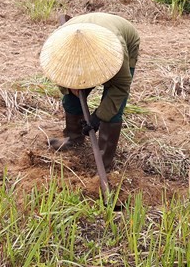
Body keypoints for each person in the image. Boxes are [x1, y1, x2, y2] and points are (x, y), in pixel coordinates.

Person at [40, 12, 140, 171]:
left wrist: (98, 117)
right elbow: (57, 72)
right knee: (71, 99)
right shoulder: (59, 47)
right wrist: (70, 86)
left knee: (113, 110)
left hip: (122, 39)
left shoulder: (117, 52)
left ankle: (104, 159)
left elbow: (120, 88)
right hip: (80, 33)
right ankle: (74, 139)